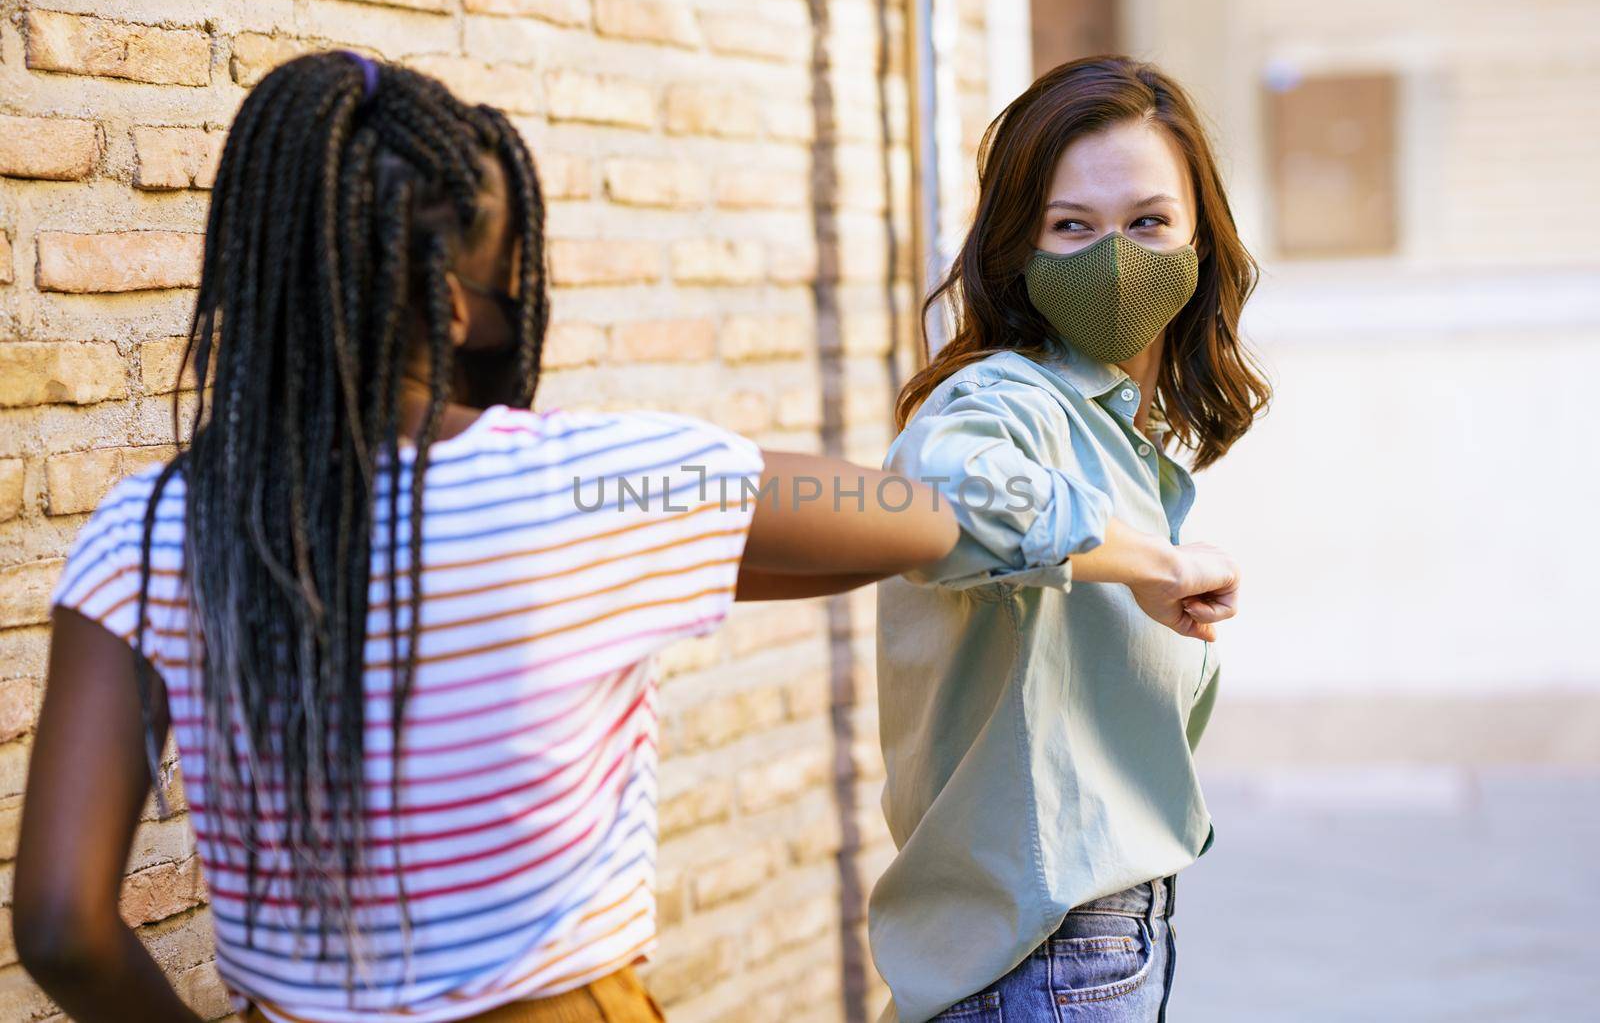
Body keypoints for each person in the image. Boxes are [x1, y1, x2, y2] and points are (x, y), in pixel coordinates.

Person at [13, 52, 957, 1023]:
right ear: (461, 308)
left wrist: (684, 565)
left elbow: (58, 923)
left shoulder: (149, 530)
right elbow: (914, 519)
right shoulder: (593, 485)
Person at [870, 55, 1269, 1022]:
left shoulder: (1114, 424)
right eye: (1071, 226)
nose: (1116, 258)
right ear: (1020, 249)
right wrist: (1154, 562)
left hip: (1083, 944)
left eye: (1147, 222)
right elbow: (934, 482)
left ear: (1200, 238)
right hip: (1047, 956)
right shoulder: (1009, 401)